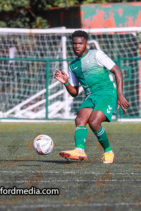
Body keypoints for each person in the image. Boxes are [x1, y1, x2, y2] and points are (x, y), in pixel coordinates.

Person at [53, 30, 130, 164]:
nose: (77, 46)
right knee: (80, 118)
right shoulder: (73, 66)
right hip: (91, 96)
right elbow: (74, 92)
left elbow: (117, 70)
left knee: (94, 122)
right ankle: (79, 150)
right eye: (74, 44)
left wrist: (120, 94)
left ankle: (108, 152)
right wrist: (65, 82)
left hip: (107, 93)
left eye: (80, 43)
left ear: (86, 44)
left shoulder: (96, 54)